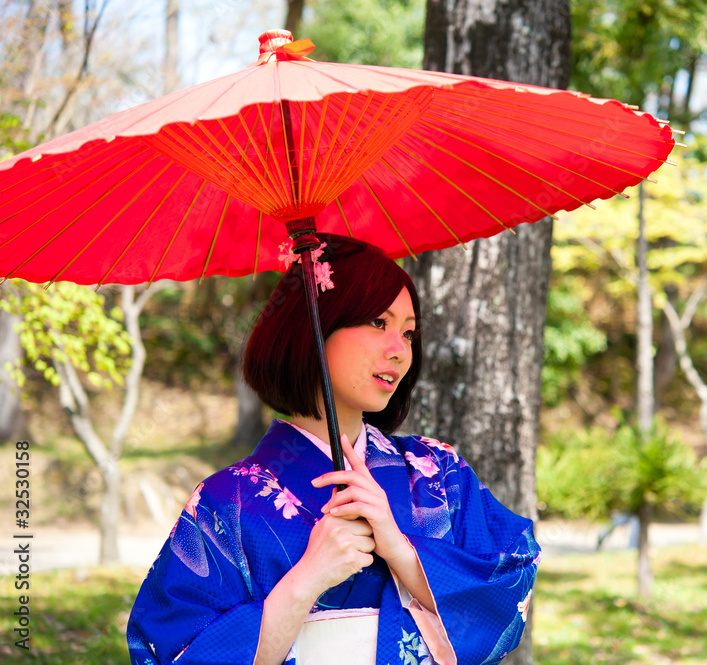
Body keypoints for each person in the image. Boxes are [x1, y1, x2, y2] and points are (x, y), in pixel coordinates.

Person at [127, 235, 540, 665]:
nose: (399, 351)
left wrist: (401, 551)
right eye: (379, 323)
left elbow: (511, 581)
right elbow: (167, 649)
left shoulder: (437, 471)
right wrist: (305, 580)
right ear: (316, 327)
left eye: (409, 332)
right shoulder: (224, 504)